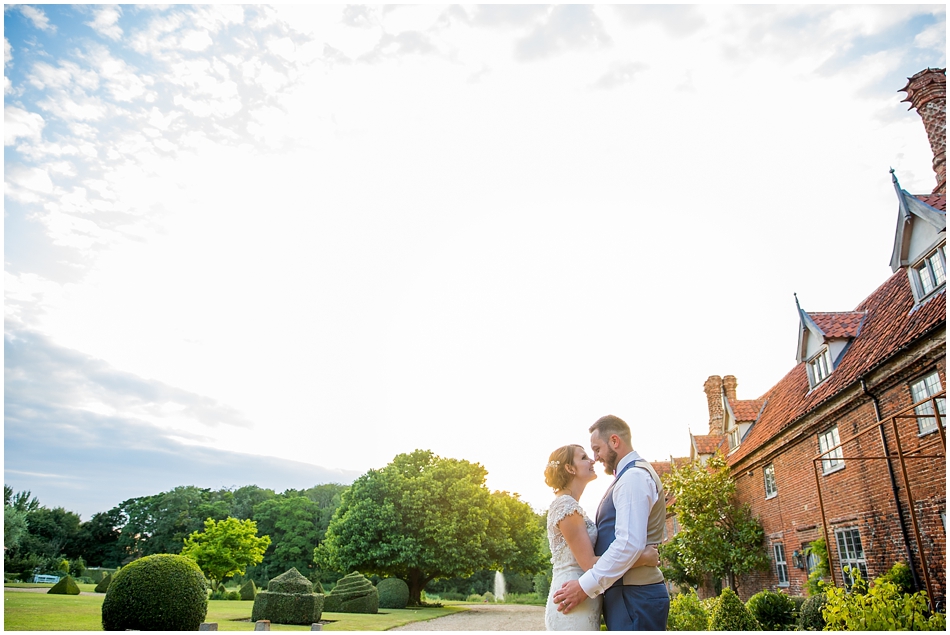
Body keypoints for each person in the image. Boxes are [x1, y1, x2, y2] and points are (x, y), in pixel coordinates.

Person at [552, 415, 670, 630]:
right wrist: (643, 558)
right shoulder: (627, 477)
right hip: (628, 594)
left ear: (614, 441)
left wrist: (584, 587)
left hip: (635, 594)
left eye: (597, 449)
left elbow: (628, 544)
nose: (595, 458)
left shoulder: (633, 477)